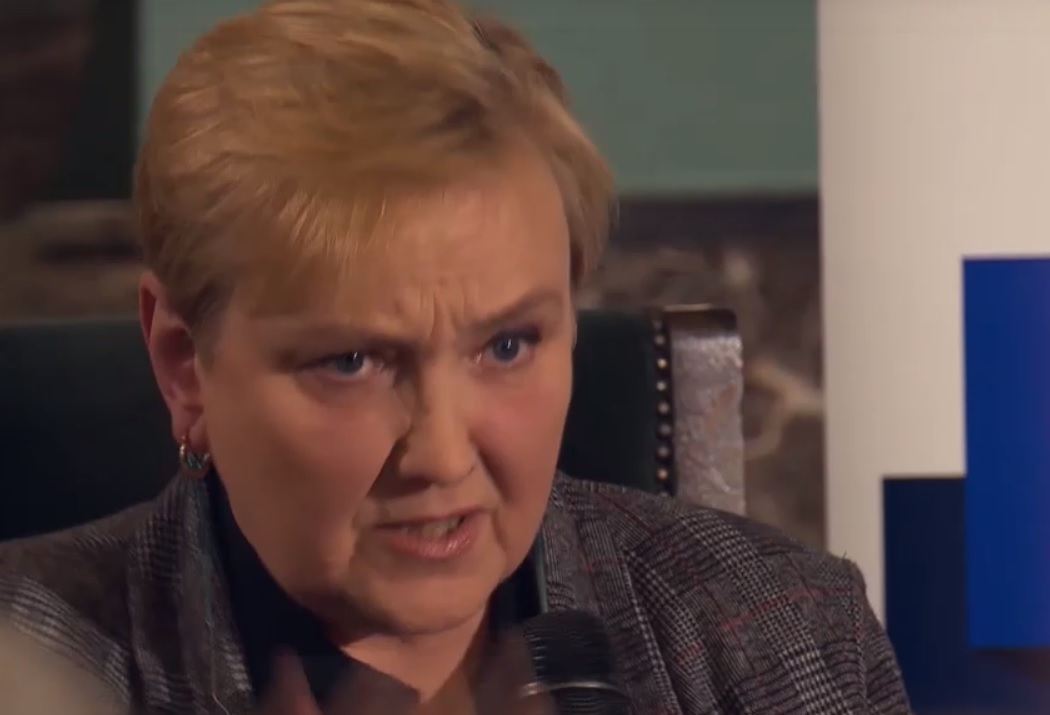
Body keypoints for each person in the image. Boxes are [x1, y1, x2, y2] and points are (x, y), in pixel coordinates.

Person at [0, 0, 912, 713]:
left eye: (507, 345)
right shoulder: (29, 666)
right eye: (351, 362)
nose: (439, 454)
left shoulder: (781, 638)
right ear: (183, 364)